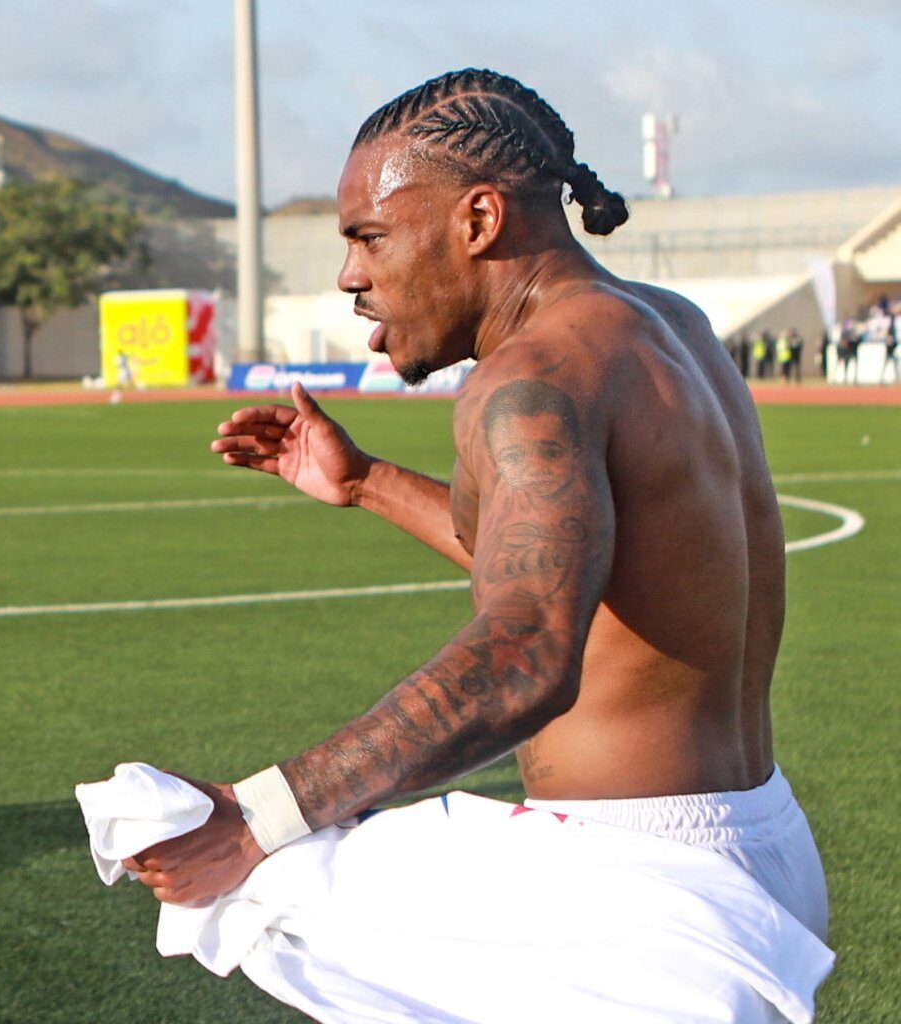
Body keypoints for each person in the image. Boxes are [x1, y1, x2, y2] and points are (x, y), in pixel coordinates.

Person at [129, 67, 828, 1010]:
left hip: (637, 887)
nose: (350, 275)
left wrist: (257, 817)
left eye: (368, 236)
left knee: (253, 880)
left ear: (479, 220)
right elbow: (582, 573)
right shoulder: (672, 327)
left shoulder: (527, 377)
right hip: (760, 840)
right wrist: (366, 480)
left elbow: (527, 654)